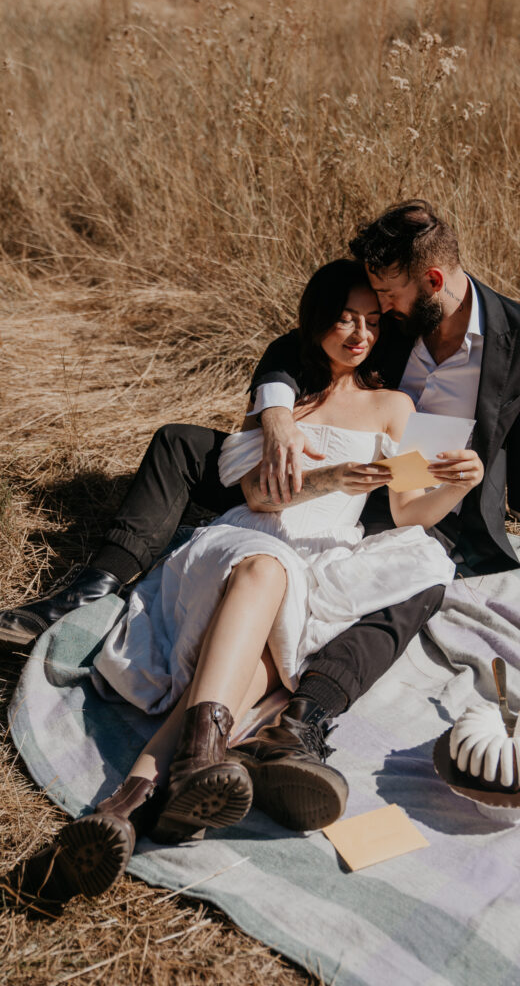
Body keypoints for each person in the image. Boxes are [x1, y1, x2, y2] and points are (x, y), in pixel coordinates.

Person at [1, 200, 520, 834]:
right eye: (362, 311)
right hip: (294, 481)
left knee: (417, 574)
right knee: (181, 449)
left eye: (383, 303)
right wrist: (275, 413)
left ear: (431, 283)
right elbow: (300, 343)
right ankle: (94, 592)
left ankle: (253, 742)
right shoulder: (377, 325)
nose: (374, 319)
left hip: (413, 470)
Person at [12, 258, 483, 905]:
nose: (358, 333)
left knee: (255, 669)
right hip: (241, 547)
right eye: (345, 317)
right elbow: (258, 493)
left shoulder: (393, 407)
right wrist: (327, 480)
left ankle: (126, 807)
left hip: (316, 569)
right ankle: (201, 762)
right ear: (317, 318)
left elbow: (406, 511)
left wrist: (460, 483)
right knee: (267, 568)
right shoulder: (285, 403)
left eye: (372, 321)